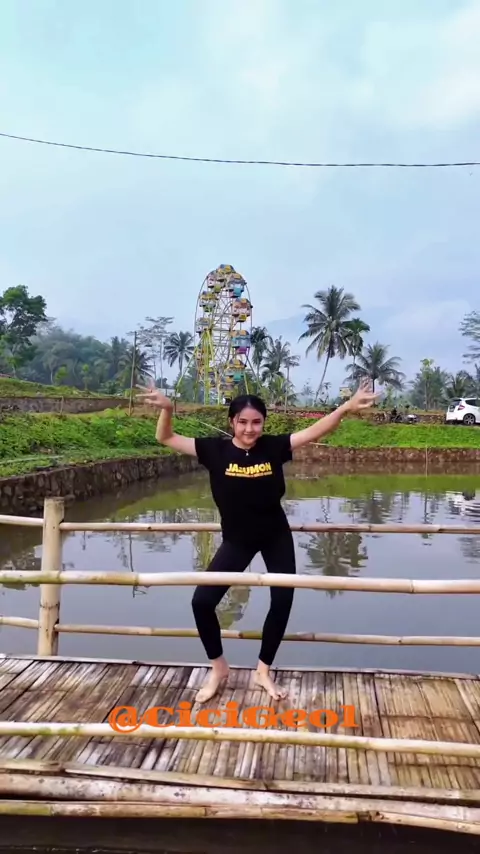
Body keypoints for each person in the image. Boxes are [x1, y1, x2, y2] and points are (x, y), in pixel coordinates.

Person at [137, 381, 378, 703]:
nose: (249, 429)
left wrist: (346, 407)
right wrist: (168, 409)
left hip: (275, 535)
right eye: (243, 422)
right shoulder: (214, 450)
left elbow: (316, 431)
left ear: (264, 423)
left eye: (256, 422)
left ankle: (263, 670)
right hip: (237, 541)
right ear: (231, 422)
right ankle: (218, 667)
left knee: (282, 601)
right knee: (202, 602)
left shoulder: (274, 447)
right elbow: (165, 437)